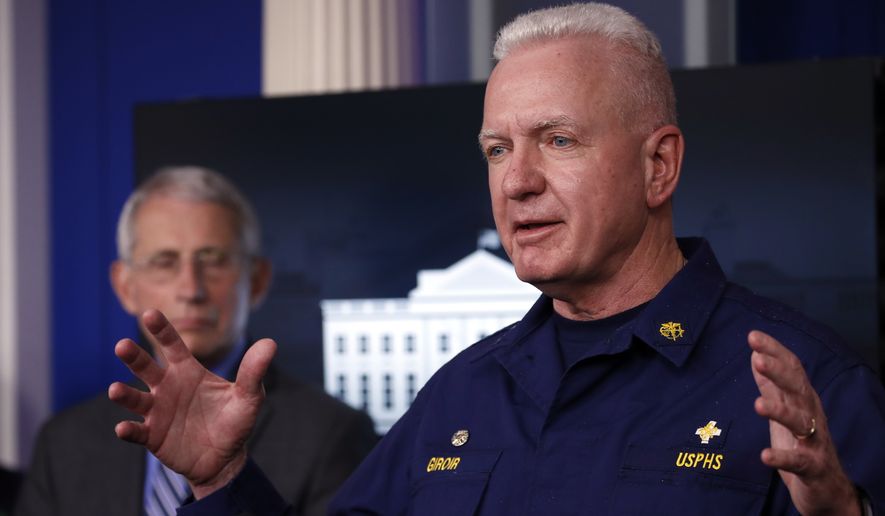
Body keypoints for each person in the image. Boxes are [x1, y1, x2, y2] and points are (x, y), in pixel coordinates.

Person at [108, 4, 885, 515]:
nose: (515, 181)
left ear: (658, 167)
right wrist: (220, 483)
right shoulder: (462, 393)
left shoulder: (805, 385)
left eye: (558, 140)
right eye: (495, 148)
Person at [15, 167, 377, 516]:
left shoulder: (333, 433)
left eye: (214, 260)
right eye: (164, 261)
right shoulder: (64, 442)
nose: (191, 289)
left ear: (258, 280)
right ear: (125, 286)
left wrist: (224, 480)